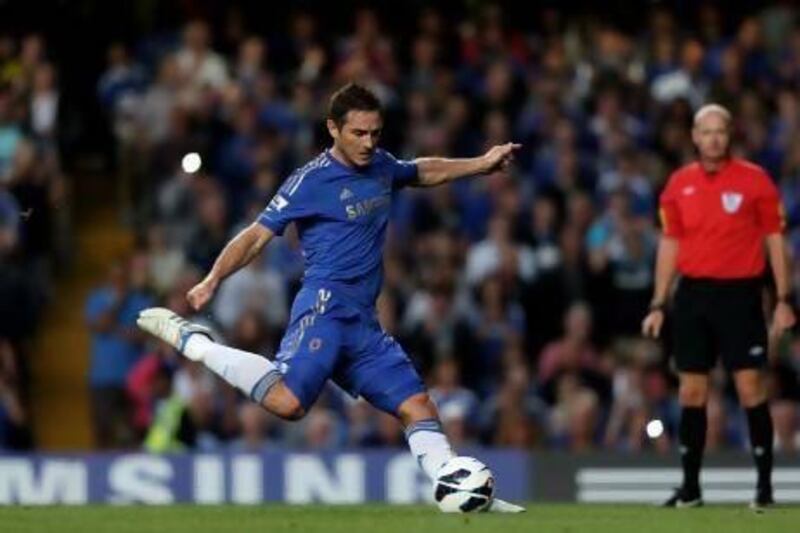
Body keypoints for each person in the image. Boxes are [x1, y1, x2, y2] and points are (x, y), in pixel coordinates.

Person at [137, 83, 523, 512]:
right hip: (324, 307)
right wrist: (212, 280)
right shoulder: (309, 181)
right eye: (358, 133)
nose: (369, 142)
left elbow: (421, 170)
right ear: (333, 129)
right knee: (289, 403)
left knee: (418, 404)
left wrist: (482, 164)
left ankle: (460, 487)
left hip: (363, 321)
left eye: (375, 132)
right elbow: (255, 236)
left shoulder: (380, 165)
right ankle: (195, 342)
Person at [641, 103, 796, 510]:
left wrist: (783, 298)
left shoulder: (755, 182)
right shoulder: (677, 185)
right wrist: (658, 302)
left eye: (720, 131)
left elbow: (775, 241)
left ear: (730, 135)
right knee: (691, 391)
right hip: (692, 295)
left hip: (741, 295)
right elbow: (669, 245)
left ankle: (764, 488)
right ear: (694, 136)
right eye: (705, 131)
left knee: (750, 387)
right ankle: (690, 489)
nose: (713, 138)